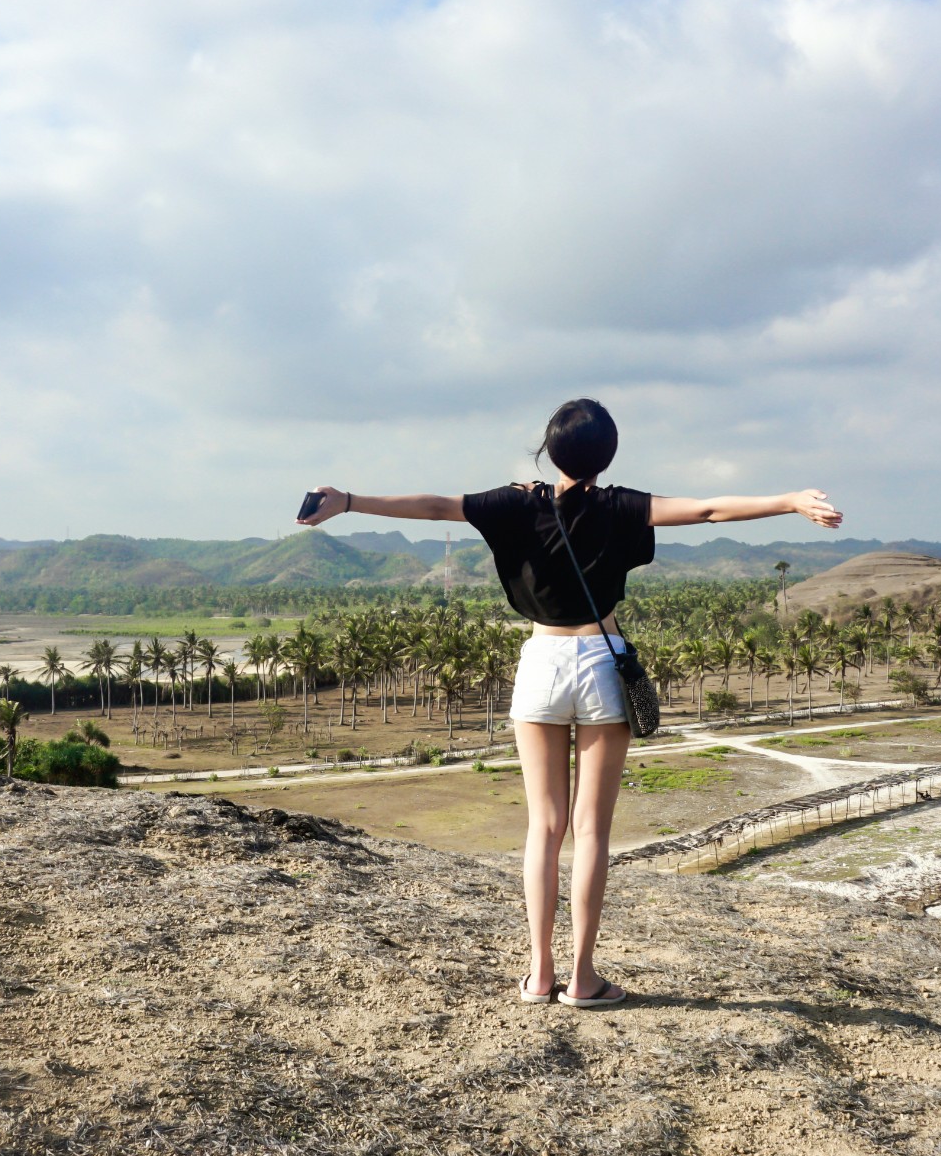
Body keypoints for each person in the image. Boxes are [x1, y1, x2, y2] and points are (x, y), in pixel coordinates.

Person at [298, 398, 840, 1009]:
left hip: (542, 663)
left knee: (544, 827)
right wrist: (791, 500)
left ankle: (539, 974)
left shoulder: (514, 502)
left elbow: (433, 508)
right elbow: (710, 510)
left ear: (548, 451)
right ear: (607, 456)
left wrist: (346, 501)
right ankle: (583, 979)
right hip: (602, 661)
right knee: (591, 831)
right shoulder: (623, 506)